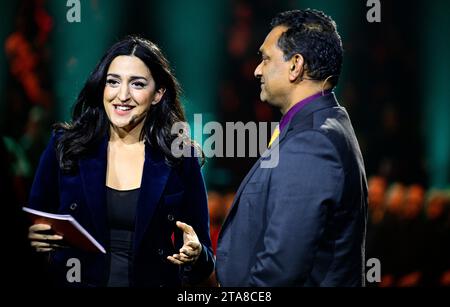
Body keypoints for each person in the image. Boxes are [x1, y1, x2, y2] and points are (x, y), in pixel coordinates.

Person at [27, 36, 215, 287]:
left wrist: (196, 254)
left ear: (158, 94)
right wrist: (32, 238)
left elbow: (204, 259)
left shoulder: (181, 158)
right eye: (113, 82)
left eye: (137, 84)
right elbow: (34, 222)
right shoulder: (65, 146)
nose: (122, 95)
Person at [216, 9, 368, 286]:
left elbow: (281, 269)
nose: (257, 69)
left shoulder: (312, 142)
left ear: (295, 65)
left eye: (265, 58)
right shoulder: (320, 125)